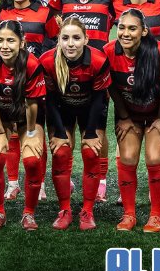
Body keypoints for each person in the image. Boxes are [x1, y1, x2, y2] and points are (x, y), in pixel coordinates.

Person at [48, 0, 124, 196]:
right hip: (67, 66)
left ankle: (100, 180)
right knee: (65, 128)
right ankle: (66, 177)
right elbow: (50, 24)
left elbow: (128, 18)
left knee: (97, 129)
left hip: (98, 67)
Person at [105, 9, 160, 232]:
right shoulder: (108, 52)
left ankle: (156, 216)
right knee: (128, 157)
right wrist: (124, 117)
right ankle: (129, 214)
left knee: (154, 159)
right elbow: (112, 87)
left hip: (157, 114)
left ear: (144, 31)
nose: (125, 33)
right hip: (130, 115)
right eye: (121, 28)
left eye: (132, 28)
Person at [40, 18, 110, 230]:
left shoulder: (98, 60)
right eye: (65, 38)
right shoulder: (47, 61)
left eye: (76, 38)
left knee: (90, 152)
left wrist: (90, 132)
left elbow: (100, 98)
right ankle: (65, 209)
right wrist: (59, 132)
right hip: (62, 111)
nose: (71, 43)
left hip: (92, 110)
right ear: (58, 40)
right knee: (60, 152)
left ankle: (87, 210)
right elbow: (50, 101)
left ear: (86, 39)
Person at [0, 20, 46, 230]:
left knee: (33, 160)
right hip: (1, 116)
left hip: (28, 118)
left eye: (10, 41)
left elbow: (32, 105)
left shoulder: (32, 64)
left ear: (22, 42)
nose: (4, 46)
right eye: (0, 41)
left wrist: (32, 132)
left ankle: (29, 214)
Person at [0, 0, 54, 200]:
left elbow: (53, 41)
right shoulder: (3, 13)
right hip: (7, 80)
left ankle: (38, 183)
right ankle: (13, 183)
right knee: (11, 132)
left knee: (38, 132)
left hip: (35, 80)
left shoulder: (44, 13)